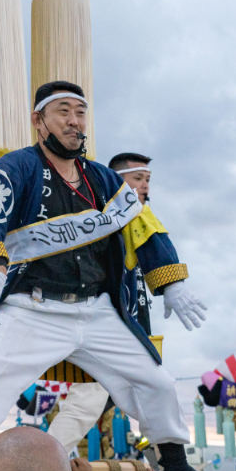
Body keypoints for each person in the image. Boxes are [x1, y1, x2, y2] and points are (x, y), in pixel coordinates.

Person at [0, 82, 224, 471]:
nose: (74, 122)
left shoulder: (104, 179)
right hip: (32, 306)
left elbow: (143, 227)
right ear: (38, 120)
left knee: (156, 383)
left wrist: (172, 283)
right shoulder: (16, 167)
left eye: (80, 113)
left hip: (96, 310)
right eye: (63, 112)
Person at [44, 152, 190, 455]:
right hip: (100, 327)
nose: (146, 186)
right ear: (117, 181)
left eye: (148, 180)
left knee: (152, 391)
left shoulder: (139, 221)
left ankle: (171, 466)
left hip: (126, 327)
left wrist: (168, 286)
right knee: (90, 401)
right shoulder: (96, 216)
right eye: (138, 179)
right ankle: (41, 463)